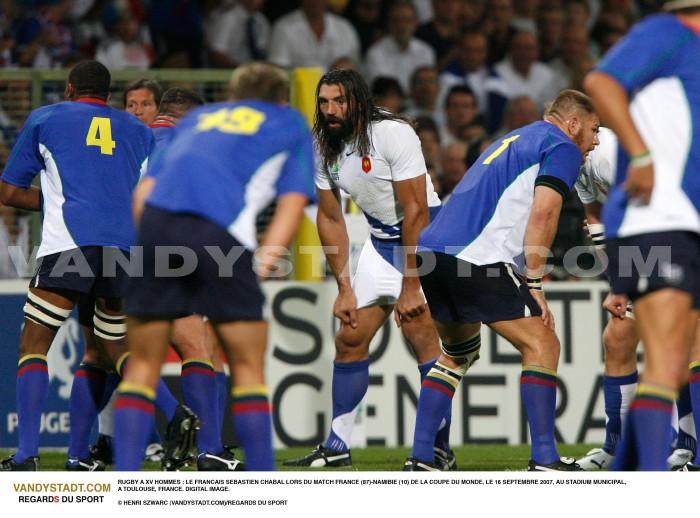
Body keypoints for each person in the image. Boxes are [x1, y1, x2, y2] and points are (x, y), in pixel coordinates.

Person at [113, 62, 315, 471]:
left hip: (154, 228)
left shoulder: (199, 119)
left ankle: (123, 490)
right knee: (247, 367)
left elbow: (142, 195)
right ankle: (264, 492)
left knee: (142, 368)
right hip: (221, 237)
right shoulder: (290, 121)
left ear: (234, 97)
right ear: (279, 98)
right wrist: (259, 266)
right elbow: (292, 205)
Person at [408, 89, 599, 471]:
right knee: (543, 342)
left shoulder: (517, 137)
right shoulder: (560, 146)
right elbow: (544, 215)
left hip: (431, 253)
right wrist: (534, 283)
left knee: (456, 355)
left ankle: (422, 458)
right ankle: (545, 458)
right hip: (475, 256)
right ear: (573, 122)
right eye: (594, 130)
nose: (595, 141)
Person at [283, 68, 459, 471]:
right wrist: (344, 286)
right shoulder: (321, 145)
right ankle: (338, 444)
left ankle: (437, 450)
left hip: (427, 243)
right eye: (324, 102)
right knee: (349, 338)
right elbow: (329, 217)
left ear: (358, 101)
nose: (330, 110)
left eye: (338, 102)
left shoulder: (391, 134)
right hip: (380, 246)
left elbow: (416, 210)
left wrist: (411, 285)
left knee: (421, 337)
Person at [0, 60, 153, 471]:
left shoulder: (45, 118)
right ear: (108, 95)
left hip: (68, 242)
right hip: (123, 247)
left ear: (69, 89)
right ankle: (87, 451)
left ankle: (27, 453)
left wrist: (55, 201)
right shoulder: (139, 131)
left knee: (33, 346)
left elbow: (10, 192)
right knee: (106, 352)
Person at [584, 1, 700, 471]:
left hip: (684, 220)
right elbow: (600, 81)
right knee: (672, 357)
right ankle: (648, 482)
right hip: (658, 218)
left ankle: (628, 471)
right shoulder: (666, 33)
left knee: (679, 356)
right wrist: (642, 156)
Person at [134, 86, 245, 472]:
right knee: (199, 347)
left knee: (111, 352)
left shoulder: (135, 136)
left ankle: (82, 455)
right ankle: (207, 447)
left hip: (118, 251)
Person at [574, 127, 696, 471]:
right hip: (647, 248)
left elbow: (643, 210)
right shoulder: (576, 162)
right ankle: (617, 447)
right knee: (617, 340)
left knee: (687, 342)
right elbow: (594, 216)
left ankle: (690, 446)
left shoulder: (606, 153)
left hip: (673, 234)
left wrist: (622, 285)